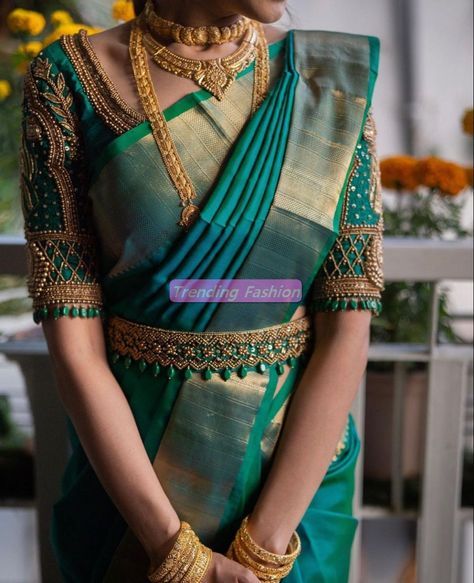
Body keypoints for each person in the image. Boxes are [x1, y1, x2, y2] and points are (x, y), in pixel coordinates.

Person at [19, 0, 384, 580]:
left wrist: (264, 549)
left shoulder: (327, 76)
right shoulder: (70, 77)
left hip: (296, 491)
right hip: (132, 484)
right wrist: (173, 552)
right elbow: (74, 342)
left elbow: (347, 324)